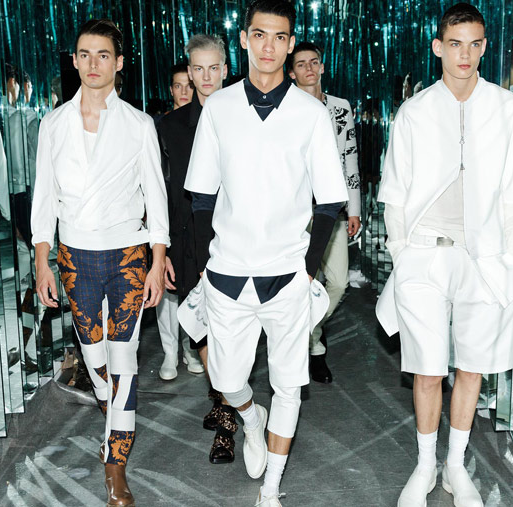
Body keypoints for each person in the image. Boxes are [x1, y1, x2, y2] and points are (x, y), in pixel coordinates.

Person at [184, 1, 347, 505]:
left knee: (289, 386)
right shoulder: (219, 108)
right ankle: (251, 420)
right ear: (245, 39)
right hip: (228, 272)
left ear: (290, 42)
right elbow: (200, 196)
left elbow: (330, 201)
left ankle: (271, 489)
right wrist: (204, 266)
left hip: (287, 275)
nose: (270, 46)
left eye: (280, 37)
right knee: (227, 380)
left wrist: (306, 270)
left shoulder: (311, 114)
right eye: (260, 35)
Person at [375, 4, 513, 506]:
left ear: (484, 48)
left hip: (484, 257)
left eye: (474, 44)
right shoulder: (415, 111)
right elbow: (395, 192)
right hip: (425, 254)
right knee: (426, 368)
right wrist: (402, 255)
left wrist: (508, 257)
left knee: (472, 366)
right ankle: (425, 466)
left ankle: (455, 466)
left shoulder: (506, 109)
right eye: (455, 43)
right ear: (438, 48)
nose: (464, 54)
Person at [31, 19, 170, 507]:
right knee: (96, 362)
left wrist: (157, 261)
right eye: (85, 54)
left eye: (104, 55)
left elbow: (156, 195)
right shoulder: (53, 125)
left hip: (129, 255)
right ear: (74, 61)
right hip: (74, 257)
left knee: (124, 361)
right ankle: (113, 412)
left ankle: (116, 465)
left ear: (119, 62)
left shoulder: (139, 124)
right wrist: (42, 262)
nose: (94, 64)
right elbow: (43, 199)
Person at [157, 33, 243, 464]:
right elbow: (163, 195)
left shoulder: (246, 119)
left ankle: (226, 420)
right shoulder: (168, 127)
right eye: (198, 68)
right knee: (204, 332)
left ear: (225, 69)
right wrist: (163, 253)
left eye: (214, 68)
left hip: (238, 243)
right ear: (189, 73)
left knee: (231, 336)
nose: (206, 76)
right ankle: (223, 400)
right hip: (190, 243)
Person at [287, 41, 361, 383]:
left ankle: (305, 332)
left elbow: (351, 159)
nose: (309, 69)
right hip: (297, 213)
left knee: (339, 282)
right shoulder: (286, 108)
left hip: (335, 210)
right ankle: (316, 350)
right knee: (305, 282)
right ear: (292, 72)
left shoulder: (340, 108)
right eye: (301, 64)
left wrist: (354, 208)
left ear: (322, 66)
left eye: (314, 62)